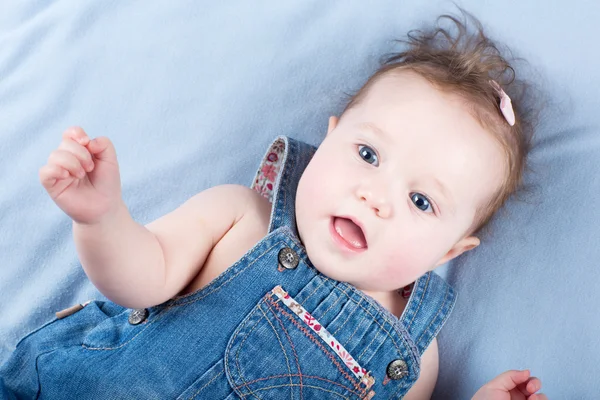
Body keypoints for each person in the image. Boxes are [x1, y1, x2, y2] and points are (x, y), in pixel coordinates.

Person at [1, 12, 546, 399]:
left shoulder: (412, 355)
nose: (375, 197)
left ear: (449, 251)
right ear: (327, 139)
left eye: (421, 200)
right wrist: (102, 218)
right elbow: (139, 278)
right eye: (367, 153)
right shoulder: (242, 216)